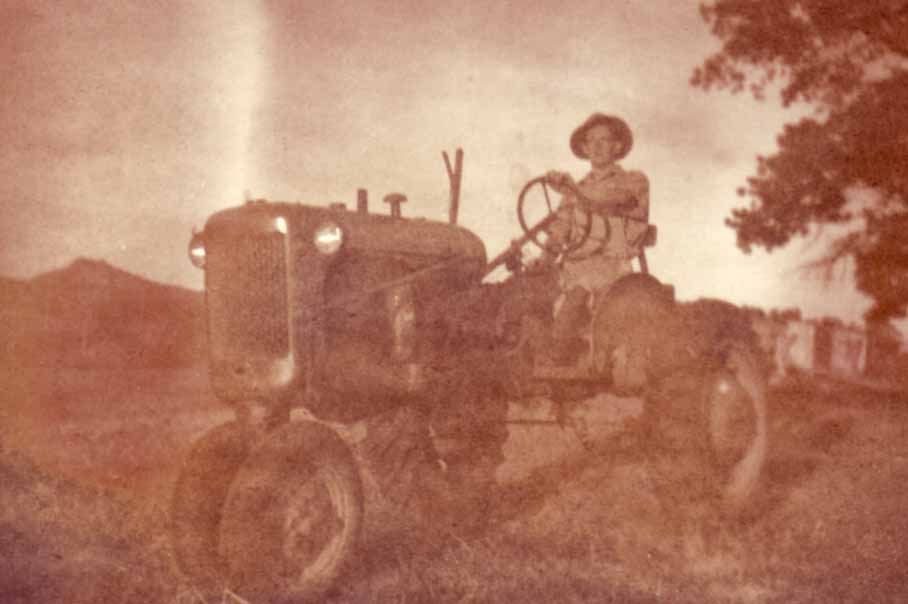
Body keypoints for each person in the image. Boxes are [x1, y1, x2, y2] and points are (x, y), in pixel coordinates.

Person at [544, 113, 651, 365]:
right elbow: (560, 230)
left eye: (605, 140)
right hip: (572, 267)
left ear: (617, 146)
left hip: (612, 266)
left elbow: (609, 200)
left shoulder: (633, 181)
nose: (597, 147)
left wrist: (573, 190)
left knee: (581, 288)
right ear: (584, 148)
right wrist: (545, 258)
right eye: (591, 141)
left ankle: (554, 360)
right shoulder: (575, 189)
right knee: (528, 289)